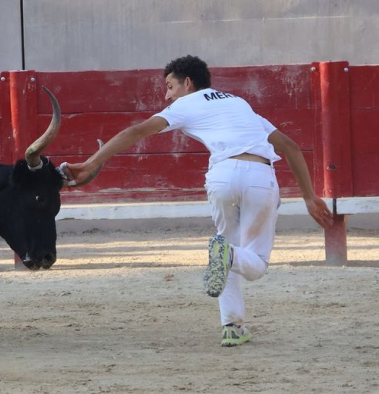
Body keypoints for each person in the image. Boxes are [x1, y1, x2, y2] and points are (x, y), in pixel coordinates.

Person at [62, 55, 334, 347]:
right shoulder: (240, 104)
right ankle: (229, 293)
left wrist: (90, 164)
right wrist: (308, 196)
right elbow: (291, 147)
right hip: (258, 175)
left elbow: (135, 131)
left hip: (222, 177)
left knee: (226, 245)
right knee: (254, 263)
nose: (166, 95)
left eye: (169, 86)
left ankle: (232, 325)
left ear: (187, 83)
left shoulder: (186, 103)